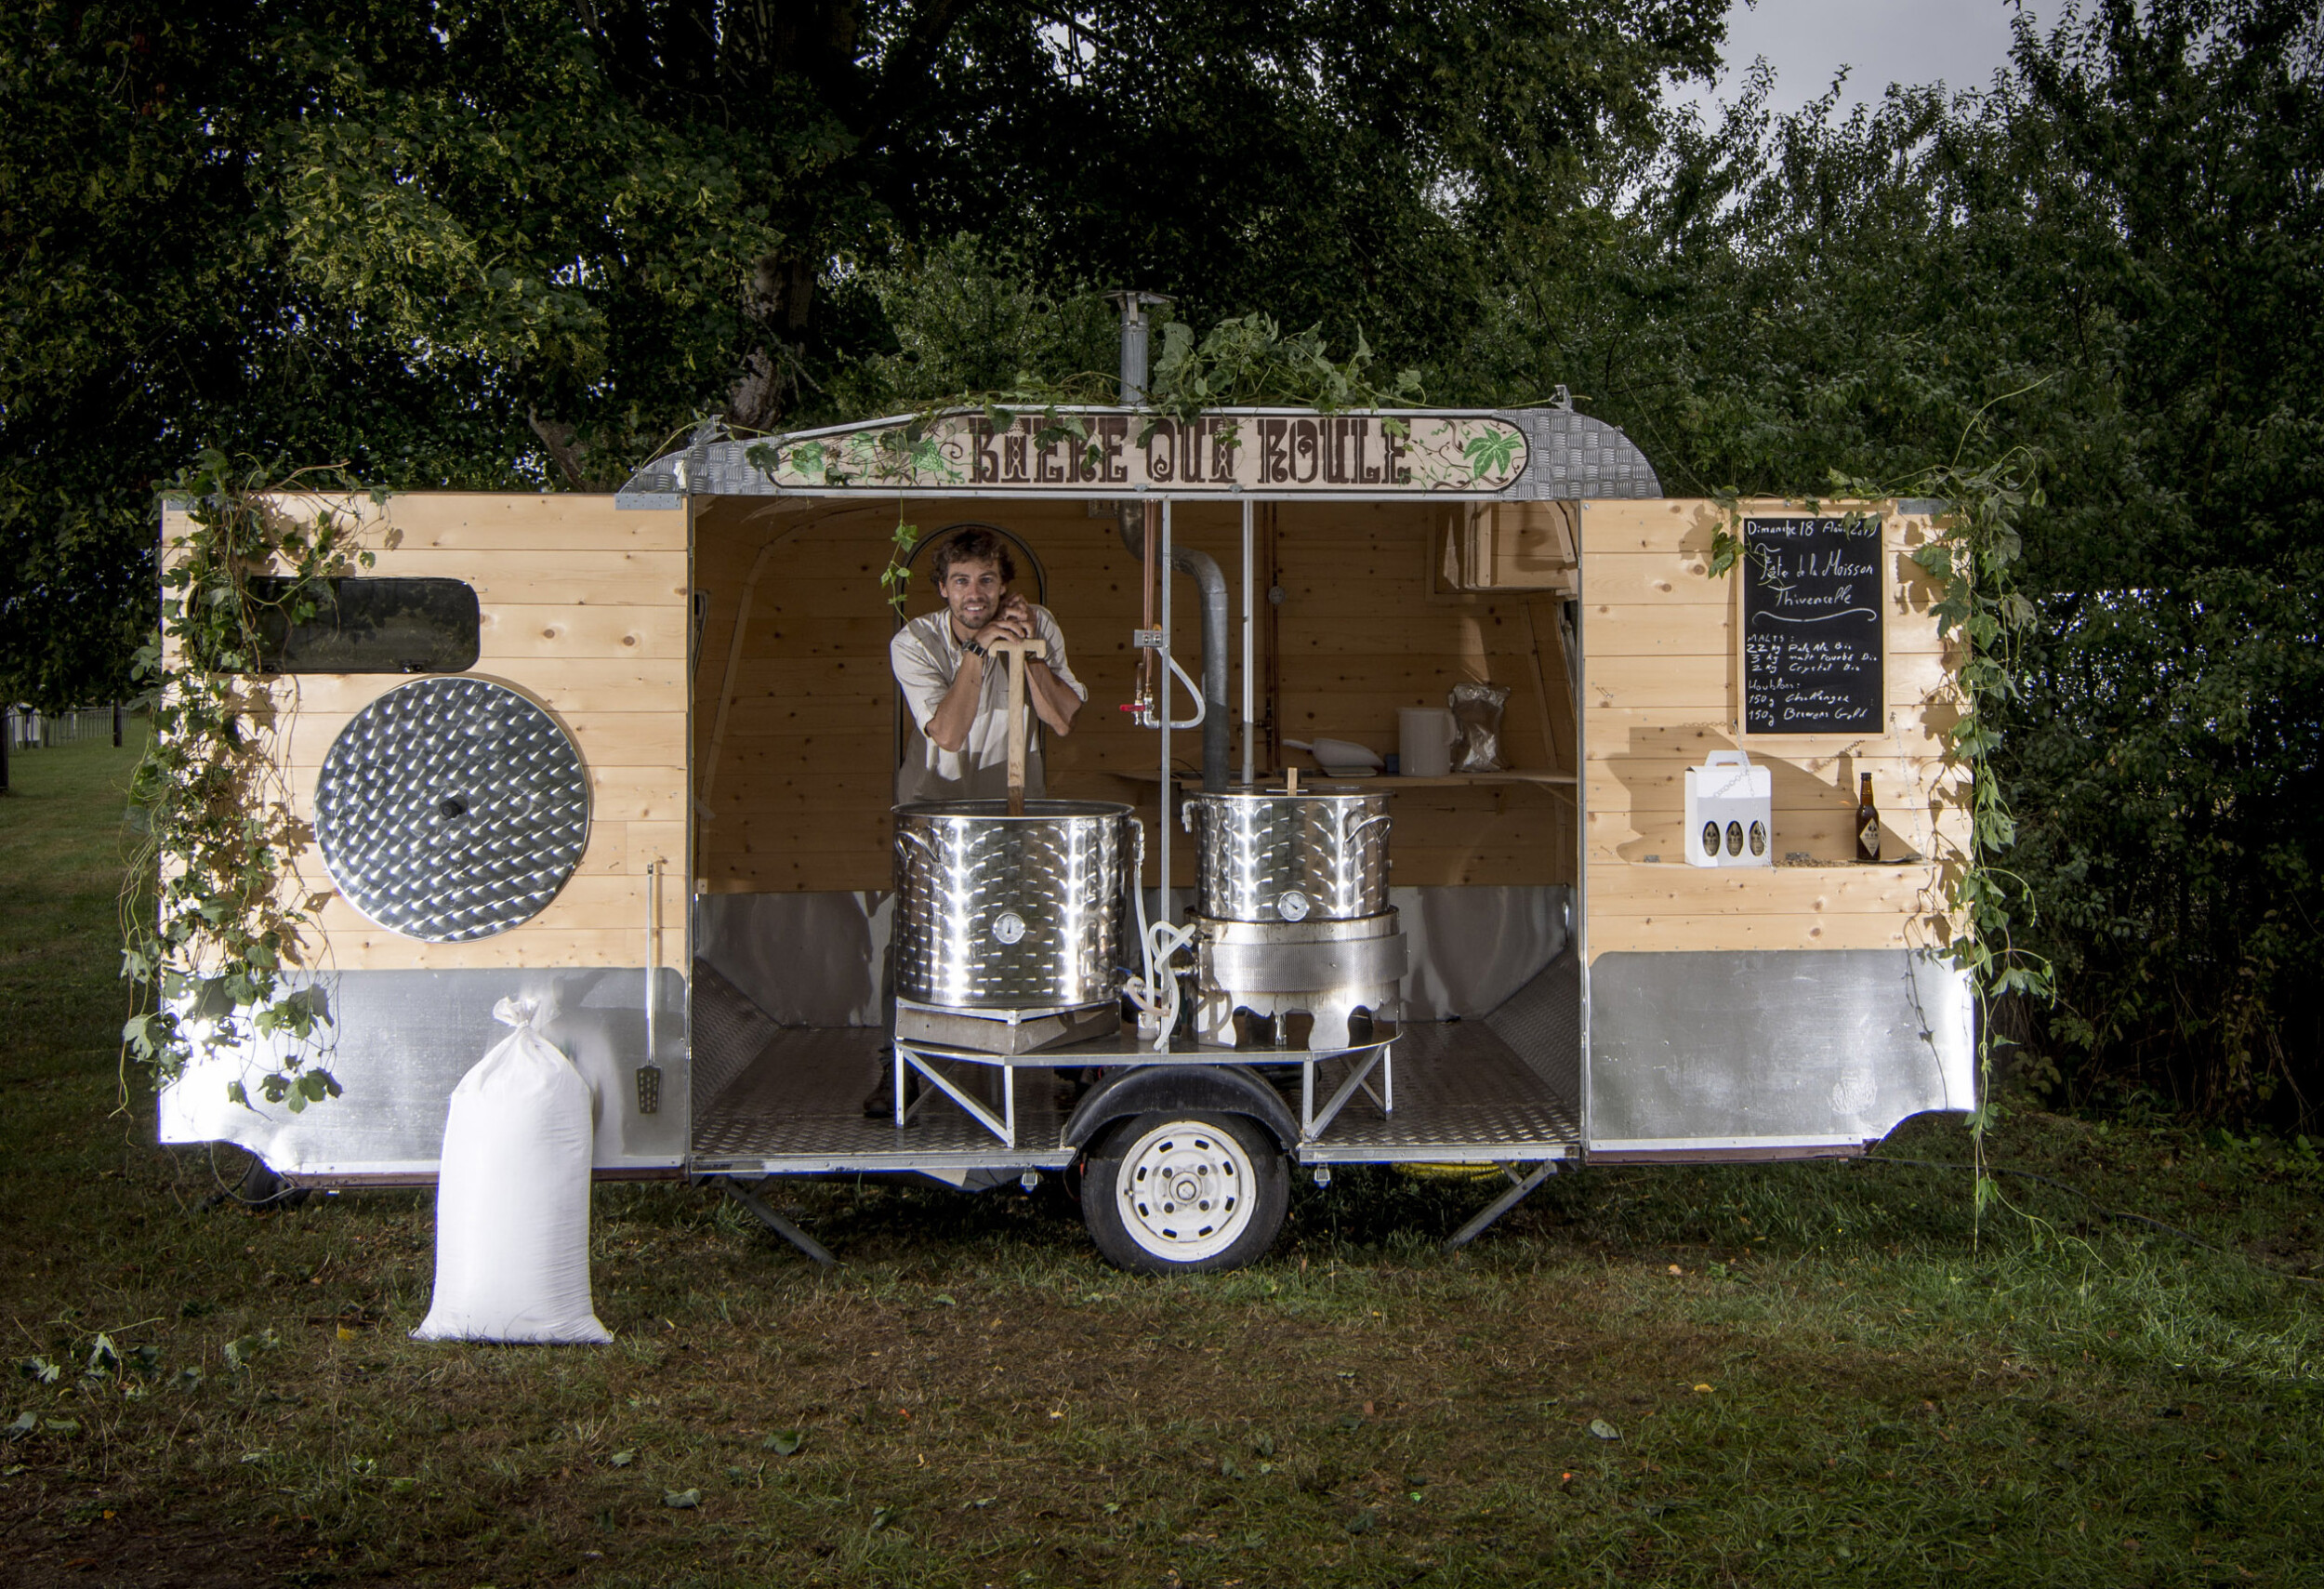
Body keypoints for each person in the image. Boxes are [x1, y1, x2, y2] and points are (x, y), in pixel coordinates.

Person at [890, 529, 1085, 803]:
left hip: (1016, 804)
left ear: (1003, 585)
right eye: (961, 581)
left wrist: (1030, 651)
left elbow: (1063, 722)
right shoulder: (916, 641)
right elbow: (948, 736)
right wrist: (976, 648)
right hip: (934, 804)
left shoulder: (1036, 622)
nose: (974, 594)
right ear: (943, 588)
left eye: (986, 580)